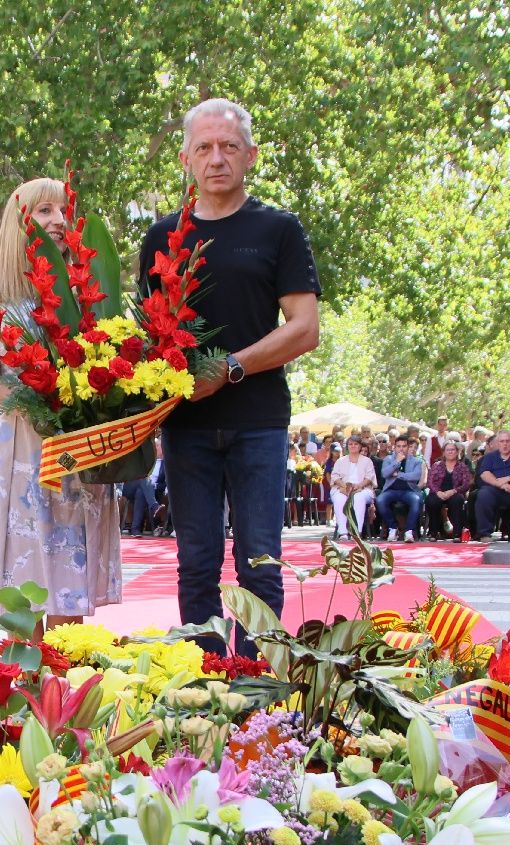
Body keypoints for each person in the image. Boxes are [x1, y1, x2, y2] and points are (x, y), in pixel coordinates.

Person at [138, 99, 319, 648]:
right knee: (195, 566)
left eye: (229, 147)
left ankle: (259, 686)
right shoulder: (161, 238)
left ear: (250, 156)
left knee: (259, 565)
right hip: (186, 426)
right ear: (186, 158)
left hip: (258, 422)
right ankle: (203, 687)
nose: (217, 158)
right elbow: (150, 338)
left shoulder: (278, 229)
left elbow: (305, 328)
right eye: (204, 147)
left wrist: (230, 367)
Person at [0, 177, 122, 622]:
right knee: (22, 594)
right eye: (44, 210)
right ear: (19, 220)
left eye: (62, 210)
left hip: (72, 450)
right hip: (17, 451)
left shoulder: (84, 291)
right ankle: (24, 688)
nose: (57, 220)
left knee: (68, 589)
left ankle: (66, 688)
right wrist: (44, 403)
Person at [376, 434, 423, 541]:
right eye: (398, 446)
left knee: (416, 500)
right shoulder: (388, 459)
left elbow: (416, 476)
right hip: (391, 490)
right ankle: (393, 528)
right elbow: (384, 473)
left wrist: (399, 475)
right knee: (380, 500)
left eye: (404, 446)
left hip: (409, 491)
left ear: (408, 447)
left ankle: (409, 531)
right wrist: (397, 461)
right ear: (394, 447)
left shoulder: (416, 461)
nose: (401, 448)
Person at [424, 440, 473, 540]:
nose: (450, 452)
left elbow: (466, 484)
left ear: (457, 452)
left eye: (453, 450)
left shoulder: (462, 466)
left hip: (455, 492)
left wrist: (453, 491)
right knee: (432, 501)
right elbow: (430, 482)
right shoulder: (437, 465)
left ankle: (457, 533)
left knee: (457, 500)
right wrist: (438, 492)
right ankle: (434, 532)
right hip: (438, 492)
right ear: (444, 452)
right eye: (448, 450)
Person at [330, 437, 377, 540]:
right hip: (343, 488)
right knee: (339, 498)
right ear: (347, 446)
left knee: (358, 498)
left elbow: (369, 477)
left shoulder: (367, 461)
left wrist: (358, 486)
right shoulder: (340, 460)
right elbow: (335, 477)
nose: (353, 446)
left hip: (363, 488)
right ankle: (343, 532)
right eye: (350, 444)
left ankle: (356, 531)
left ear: (360, 446)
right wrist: (344, 486)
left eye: (355, 444)